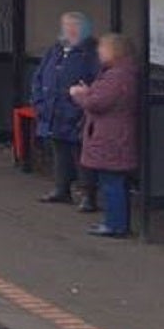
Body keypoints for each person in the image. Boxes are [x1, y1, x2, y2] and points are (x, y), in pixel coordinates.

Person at [70, 33, 140, 238]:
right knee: (112, 181)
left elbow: (97, 103)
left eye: (103, 48)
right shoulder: (121, 74)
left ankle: (116, 225)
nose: (99, 52)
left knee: (112, 182)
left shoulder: (117, 76)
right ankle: (113, 222)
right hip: (114, 133)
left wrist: (79, 95)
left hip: (112, 136)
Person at [29, 11, 99, 210]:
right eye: (67, 25)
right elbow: (39, 76)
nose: (70, 29)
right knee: (59, 150)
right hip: (52, 110)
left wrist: (82, 104)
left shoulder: (91, 53)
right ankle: (61, 189)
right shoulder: (56, 49)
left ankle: (88, 195)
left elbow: (97, 80)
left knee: (82, 154)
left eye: (75, 25)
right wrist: (39, 103)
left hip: (77, 112)